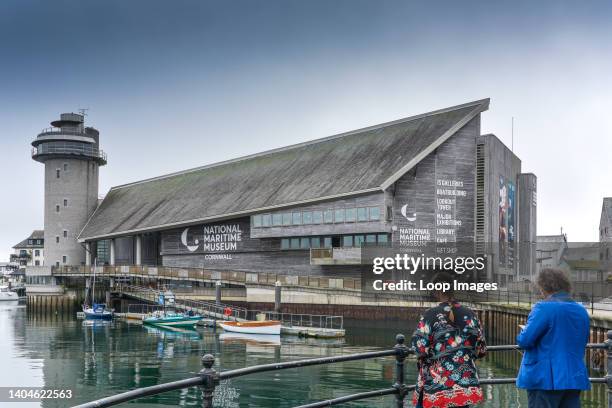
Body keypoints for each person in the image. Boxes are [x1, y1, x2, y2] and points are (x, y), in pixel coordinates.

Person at [516, 268, 590, 408]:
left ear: (544, 287)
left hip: (546, 379)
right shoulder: (581, 311)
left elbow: (525, 341)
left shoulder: (544, 308)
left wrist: (523, 332)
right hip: (574, 377)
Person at [411, 273, 487, 408]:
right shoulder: (471, 315)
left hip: (436, 387)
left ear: (438, 290)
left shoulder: (429, 315)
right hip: (464, 387)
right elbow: (481, 350)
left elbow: (419, 349)